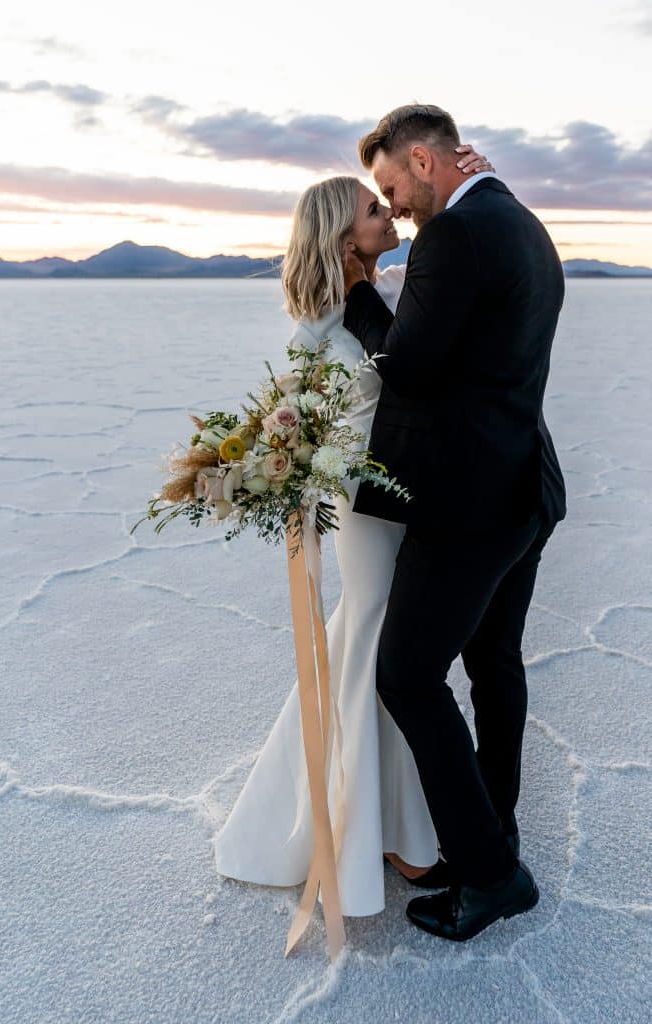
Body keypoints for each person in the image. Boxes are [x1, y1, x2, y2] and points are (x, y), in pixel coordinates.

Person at [213, 144, 495, 916]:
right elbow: (314, 426)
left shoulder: (392, 287)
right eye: (374, 209)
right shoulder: (317, 329)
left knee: (388, 652)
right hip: (368, 508)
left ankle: (400, 820)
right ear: (345, 237)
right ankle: (391, 832)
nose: (388, 211)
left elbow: (441, 311)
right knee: (381, 645)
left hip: (406, 503)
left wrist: (468, 175)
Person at [342, 103, 567, 941]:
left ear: (426, 164)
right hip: (522, 488)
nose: (393, 204)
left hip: (467, 503)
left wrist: (361, 293)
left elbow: (411, 370)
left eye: (392, 183)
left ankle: (489, 871)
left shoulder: (455, 237)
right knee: (493, 661)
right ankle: (494, 823)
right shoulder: (521, 223)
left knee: (405, 676)